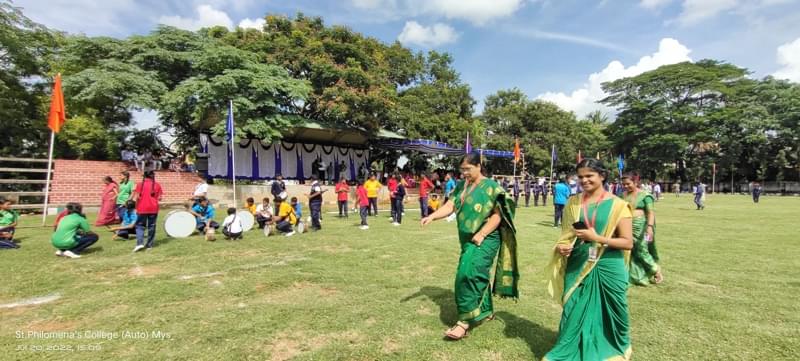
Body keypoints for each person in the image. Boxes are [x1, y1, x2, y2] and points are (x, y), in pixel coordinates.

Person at [421, 152, 518, 340]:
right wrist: (432, 216)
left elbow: (499, 215)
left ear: (478, 166)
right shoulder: (461, 186)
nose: (464, 172)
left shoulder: (491, 187)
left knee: (467, 274)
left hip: (486, 237)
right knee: (477, 272)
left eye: (468, 169)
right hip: (466, 239)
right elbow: (450, 206)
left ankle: (463, 322)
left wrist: (481, 234)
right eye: (462, 169)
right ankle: (486, 310)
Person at [543, 158, 634, 360]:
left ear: (602, 176)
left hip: (609, 265)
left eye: (589, 176)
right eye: (581, 177)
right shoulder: (573, 202)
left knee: (614, 310)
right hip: (579, 263)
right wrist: (563, 247)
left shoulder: (619, 205)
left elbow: (628, 242)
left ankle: (613, 348)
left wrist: (597, 238)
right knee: (574, 308)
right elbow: (567, 235)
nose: (584, 180)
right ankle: (569, 347)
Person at [622, 172, 663, 286]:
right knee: (630, 250)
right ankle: (636, 275)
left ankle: (655, 270)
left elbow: (650, 212)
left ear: (636, 182)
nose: (625, 186)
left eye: (628, 184)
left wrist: (649, 228)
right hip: (626, 225)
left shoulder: (645, 195)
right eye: (623, 184)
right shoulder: (623, 195)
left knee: (642, 249)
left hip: (641, 226)